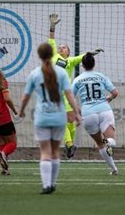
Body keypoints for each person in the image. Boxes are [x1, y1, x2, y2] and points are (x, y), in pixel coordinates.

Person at [19, 43, 81, 194]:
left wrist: (21, 111)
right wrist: (77, 113)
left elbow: (26, 96)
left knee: (45, 152)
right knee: (55, 152)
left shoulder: (34, 73)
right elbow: (69, 95)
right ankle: (52, 183)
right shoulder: (61, 73)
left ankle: (46, 185)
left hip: (42, 117)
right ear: (52, 55)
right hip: (59, 117)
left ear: (39, 56)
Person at [48, 13, 103, 158]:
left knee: (70, 121)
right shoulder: (54, 55)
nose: (60, 48)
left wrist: (92, 53)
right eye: (60, 47)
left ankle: (69, 145)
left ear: (68, 51)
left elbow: (83, 57)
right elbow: (51, 40)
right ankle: (70, 145)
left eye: (64, 47)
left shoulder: (70, 61)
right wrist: (52, 26)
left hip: (66, 93)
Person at [72, 53, 119, 175]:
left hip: (88, 114)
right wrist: (109, 98)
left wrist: (78, 110)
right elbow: (115, 93)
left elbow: (69, 98)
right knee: (110, 140)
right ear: (94, 64)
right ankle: (109, 143)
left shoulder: (77, 79)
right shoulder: (101, 76)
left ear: (82, 65)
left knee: (100, 143)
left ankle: (113, 169)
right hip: (104, 110)